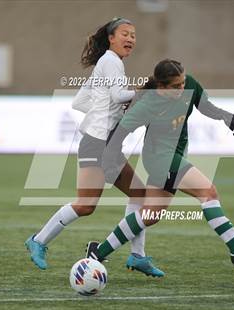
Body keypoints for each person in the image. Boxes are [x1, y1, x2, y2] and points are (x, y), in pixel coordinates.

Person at [85, 59, 234, 270]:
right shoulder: (148, 104)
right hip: (159, 158)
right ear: (161, 88)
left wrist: (225, 116)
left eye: (182, 82)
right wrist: (109, 164)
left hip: (174, 156)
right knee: (208, 192)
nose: (182, 88)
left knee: (150, 215)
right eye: (176, 86)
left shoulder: (189, 84)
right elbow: (117, 136)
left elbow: (204, 106)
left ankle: (98, 252)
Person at [25, 18, 164, 277]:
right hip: (97, 143)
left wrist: (103, 113)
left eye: (134, 35)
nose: (131, 38)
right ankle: (38, 241)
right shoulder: (111, 61)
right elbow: (119, 96)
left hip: (106, 143)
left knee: (139, 194)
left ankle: (138, 256)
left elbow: (79, 102)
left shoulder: (109, 63)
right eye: (125, 33)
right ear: (111, 37)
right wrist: (144, 89)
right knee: (86, 204)